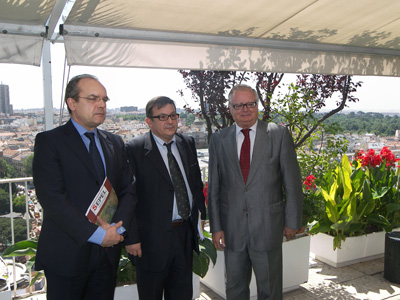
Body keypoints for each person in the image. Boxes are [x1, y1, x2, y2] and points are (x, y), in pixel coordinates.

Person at [32, 74, 136, 300]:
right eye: (92, 98)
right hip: (67, 255)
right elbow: (52, 199)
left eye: (104, 99)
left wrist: (117, 230)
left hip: (107, 256)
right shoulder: (50, 142)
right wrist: (98, 234)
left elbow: (129, 189)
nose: (101, 104)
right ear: (72, 103)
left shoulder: (115, 142)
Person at [207, 84, 303, 300]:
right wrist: (216, 226)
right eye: (239, 105)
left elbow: (292, 183)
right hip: (232, 230)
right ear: (230, 109)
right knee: (234, 288)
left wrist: (292, 222)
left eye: (250, 103)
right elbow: (214, 187)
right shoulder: (218, 140)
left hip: (268, 227)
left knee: (270, 288)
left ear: (257, 105)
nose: (245, 109)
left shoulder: (278, 134)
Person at [125, 96, 206, 300]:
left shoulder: (186, 142)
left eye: (172, 115)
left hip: (184, 234)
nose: (169, 121)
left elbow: (195, 184)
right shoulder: (134, 149)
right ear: (148, 121)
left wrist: (200, 217)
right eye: (162, 117)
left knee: (182, 294)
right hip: (151, 241)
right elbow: (129, 197)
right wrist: (131, 238)